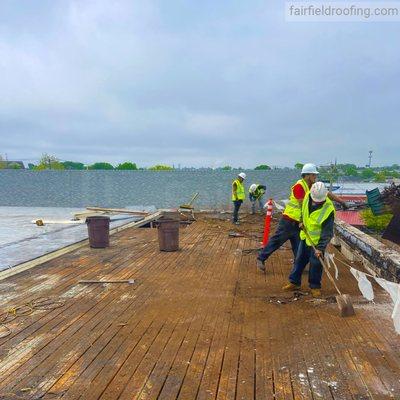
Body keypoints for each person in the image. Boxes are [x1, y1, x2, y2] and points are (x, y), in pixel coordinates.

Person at [256, 163, 346, 272]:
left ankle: (298, 268)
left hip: (300, 223)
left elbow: (327, 194)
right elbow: (303, 205)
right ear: (307, 175)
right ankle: (261, 258)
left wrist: (341, 202)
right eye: (314, 175)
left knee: (298, 246)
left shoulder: (314, 186)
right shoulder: (299, 186)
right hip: (289, 221)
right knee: (277, 241)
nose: (315, 177)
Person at [282, 182, 335, 297]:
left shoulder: (328, 209)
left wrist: (320, 248)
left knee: (316, 264)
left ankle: (315, 286)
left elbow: (327, 232)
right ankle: (294, 282)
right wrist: (301, 220)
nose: (316, 202)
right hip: (305, 237)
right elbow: (303, 210)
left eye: (319, 201)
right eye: (315, 199)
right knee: (299, 260)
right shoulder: (308, 196)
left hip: (317, 243)